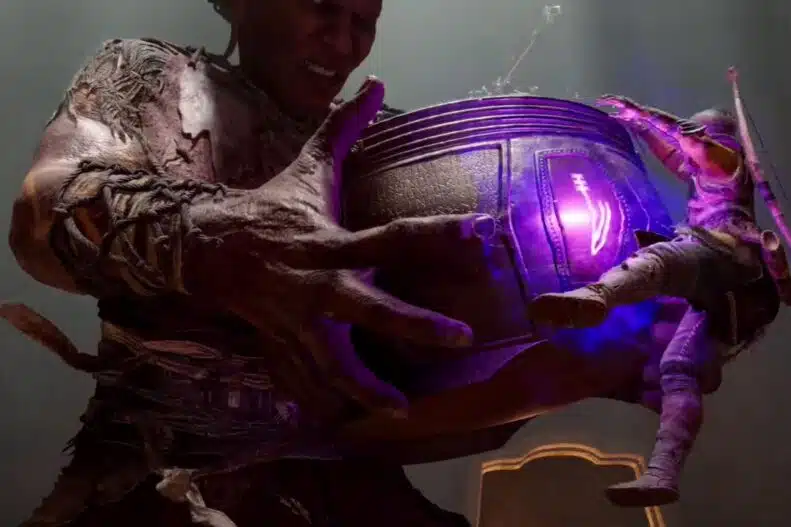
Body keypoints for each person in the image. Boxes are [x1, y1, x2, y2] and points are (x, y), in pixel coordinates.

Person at [4, 0, 499, 525]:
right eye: (322, 8)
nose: (344, 43)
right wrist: (209, 239)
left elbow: (441, 392)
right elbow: (42, 212)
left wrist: (544, 357)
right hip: (152, 484)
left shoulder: (378, 142)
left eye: (364, 22)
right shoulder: (153, 76)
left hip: (350, 487)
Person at [528, 94, 783, 506]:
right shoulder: (702, 169)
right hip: (725, 289)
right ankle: (663, 473)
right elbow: (674, 152)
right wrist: (640, 125)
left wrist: (645, 115)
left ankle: (597, 296)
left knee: (662, 259)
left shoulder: (727, 163)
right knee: (678, 368)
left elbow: (690, 142)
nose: (686, 147)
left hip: (723, 259)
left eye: (697, 135)